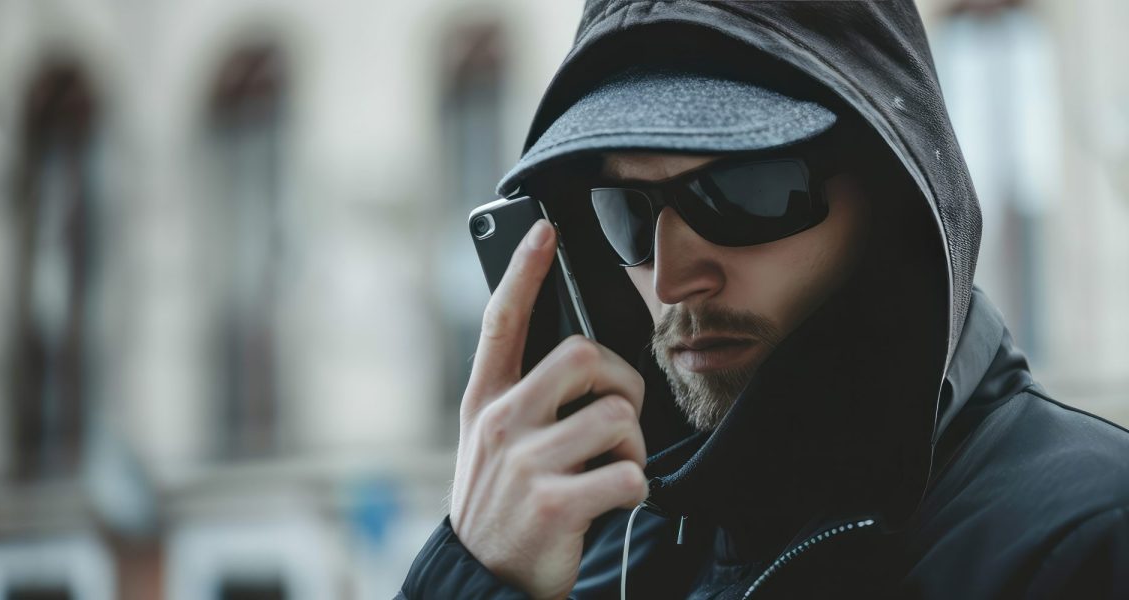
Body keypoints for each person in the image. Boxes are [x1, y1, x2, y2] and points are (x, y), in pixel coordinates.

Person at [402, 1, 1129, 598]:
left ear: (891, 198)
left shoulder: (1088, 538)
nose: (672, 280)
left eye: (745, 192)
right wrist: (475, 571)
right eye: (625, 210)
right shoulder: (609, 559)